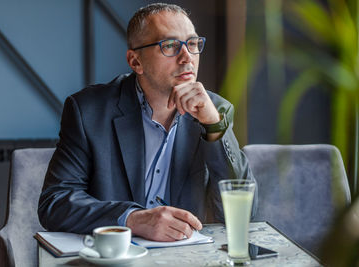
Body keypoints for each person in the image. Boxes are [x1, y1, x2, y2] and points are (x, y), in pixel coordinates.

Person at [38, 3, 256, 242]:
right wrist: (133, 218)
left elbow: (244, 214)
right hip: (114, 257)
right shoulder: (88, 111)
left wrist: (213, 127)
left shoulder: (215, 111)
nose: (187, 58)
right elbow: (55, 202)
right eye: (170, 45)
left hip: (184, 256)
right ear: (135, 62)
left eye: (192, 44)